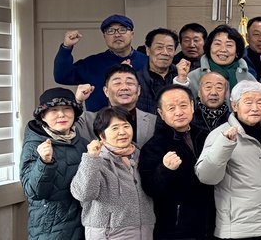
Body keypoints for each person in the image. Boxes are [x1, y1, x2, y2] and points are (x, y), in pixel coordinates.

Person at [195, 80, 261, 240]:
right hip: (237, 230)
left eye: (260, 102)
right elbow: (207, 177)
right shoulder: (220, 134)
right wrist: (225, 144)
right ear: (234, 106)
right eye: (248, 102)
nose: (255, 108)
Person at [138, 84, 215, 240]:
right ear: (161, 113)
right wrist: (165, 169)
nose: (179, 112)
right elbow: (149, 188)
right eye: (171, 108)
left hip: (212, 222)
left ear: (192, 106)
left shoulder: (207, 136)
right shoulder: (153, 146)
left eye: (183, 105)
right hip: (177, 228)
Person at [70, 107, 156, 240]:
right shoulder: (95, 158)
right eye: (115, 128)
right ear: (101, 135)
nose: (122, 132)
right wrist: (91, 158)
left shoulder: (141, 156)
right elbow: (83, 194)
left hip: (144, 231)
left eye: (126, 126)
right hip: (108, 234)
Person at [21, 88, 89, 240]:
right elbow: (34, 192)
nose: (61, 115)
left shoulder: (84, 144)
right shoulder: (35, 145)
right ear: (43, 116)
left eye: (67, 109)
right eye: (54, 110)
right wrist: (44, 162)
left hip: (83, 225)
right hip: (51, 228)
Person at [54, 14, 149, 111]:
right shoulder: (92, 63)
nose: (117, 34)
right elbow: (62, 76)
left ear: (132, 34)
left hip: (141, 119)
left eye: (122, 29)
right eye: (110, 31)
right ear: (104, 37)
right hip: (99, 119)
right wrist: (66, 47)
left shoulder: (148, 62)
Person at [74, 64, 157, 147]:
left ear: (138, 90)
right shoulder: (89, 120)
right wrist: (78, 101)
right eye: (117, 83)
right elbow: (68, 129)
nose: (124, 87)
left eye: (129, 83)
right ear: (106, 91)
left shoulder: (154, 121)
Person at [175, 24, 256, 96]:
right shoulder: (193, 76)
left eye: (229, 45)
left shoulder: (248, 79)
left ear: (237, 52)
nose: (223, 50)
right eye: (217, 44)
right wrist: (181, 81)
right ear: (209, 48)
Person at [136, 27, 178, 113]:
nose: (165, 52)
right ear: (148, 50)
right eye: (159, 47)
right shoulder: (136, 80)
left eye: (170, 48)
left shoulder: (182, 77)